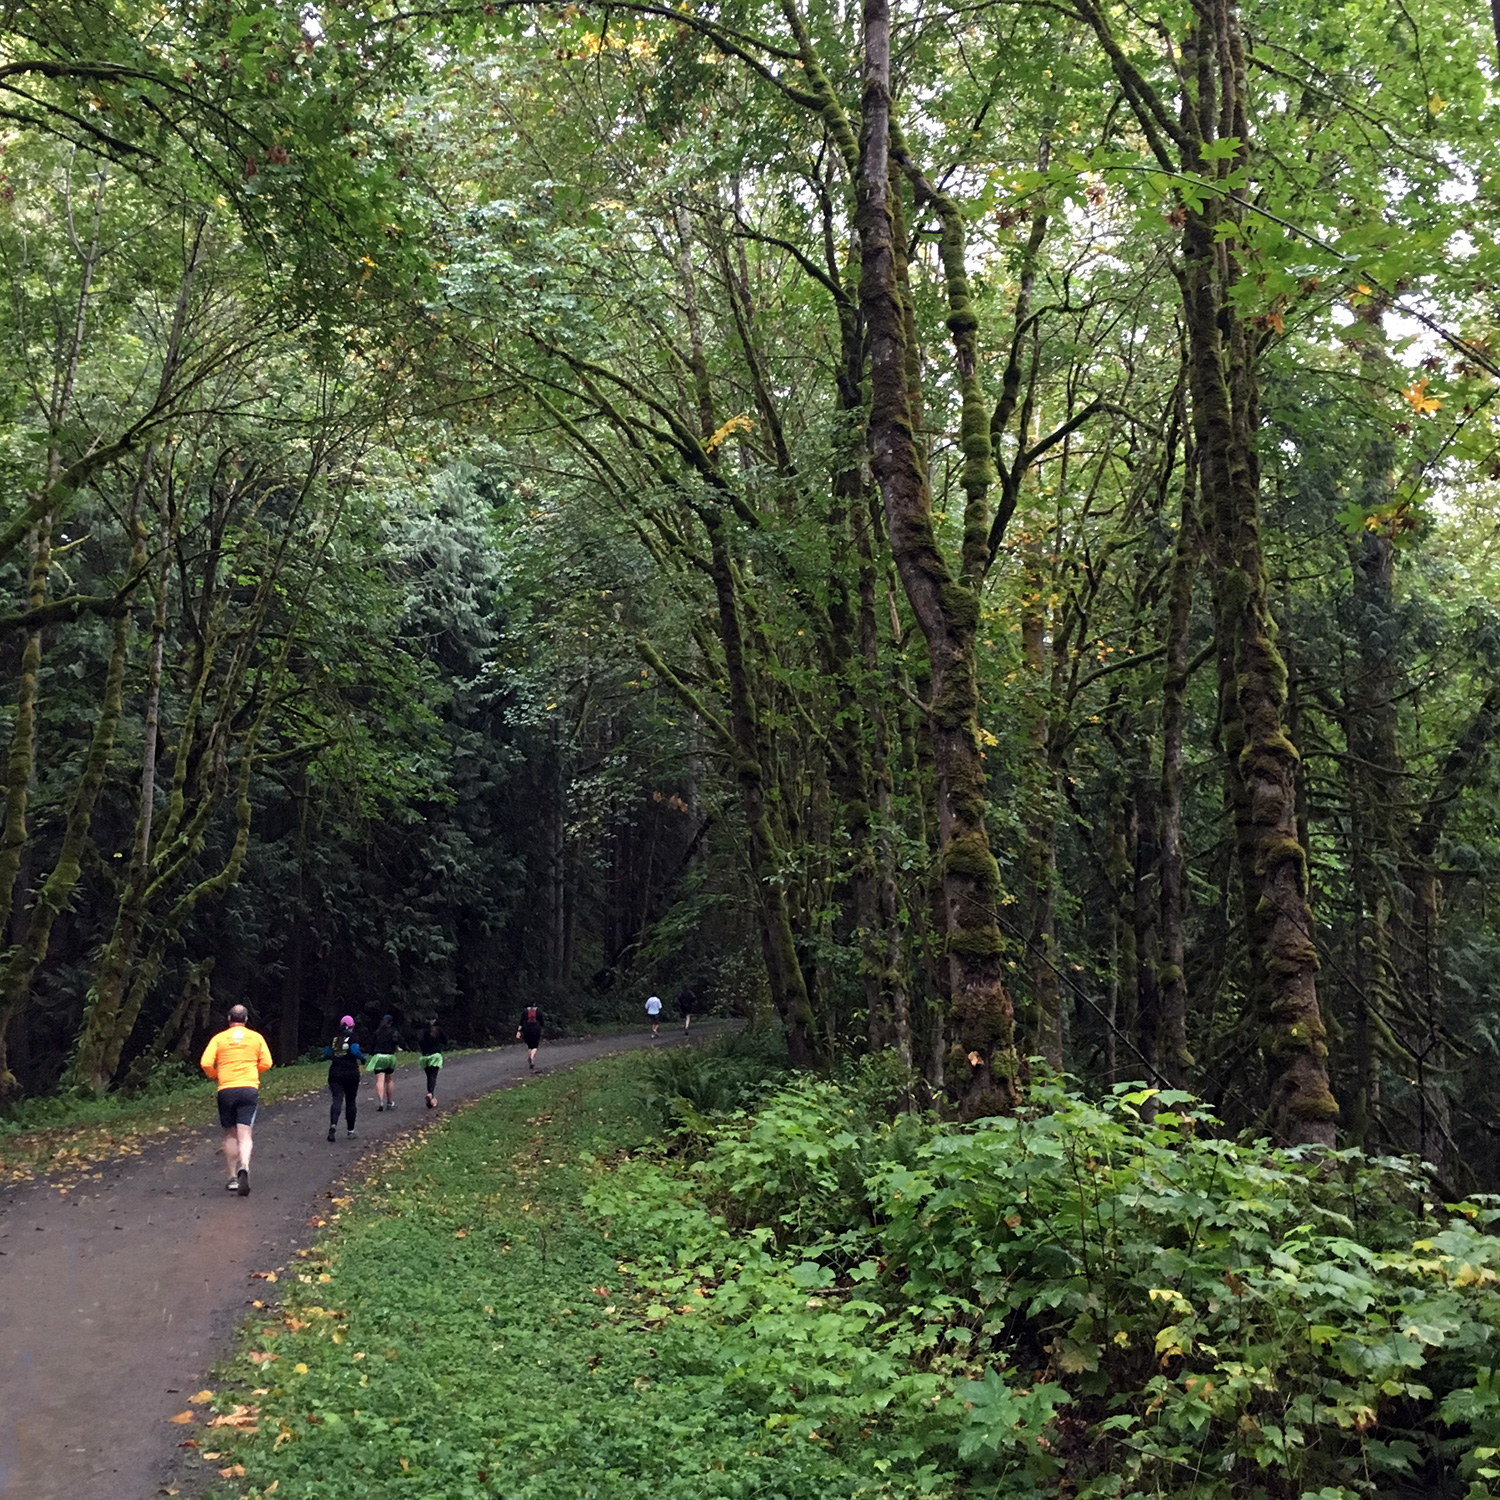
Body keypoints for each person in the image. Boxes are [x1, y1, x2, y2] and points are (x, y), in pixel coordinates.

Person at [199, 1003, 272, 1197]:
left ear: (229, 1019)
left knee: (230, 1134)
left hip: (226, 1089)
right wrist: (253, 1071)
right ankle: (245, 1167)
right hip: (248, 1088)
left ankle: (232, 1178)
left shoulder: (219, 1038)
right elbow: (267, 1062)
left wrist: (216, 1074)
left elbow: (205, 1063)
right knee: (245, 1134)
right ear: (246, 1020)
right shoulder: (256, 1038)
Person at [323, 1016, 366, 1142]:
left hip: (335, 1072)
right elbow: (355, 1050)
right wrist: (363, 1059)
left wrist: (335, 1057)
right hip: (351, 1072)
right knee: (351, 1101)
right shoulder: (353, 1037)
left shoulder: (334, 1038)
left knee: (337, 1099)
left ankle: (333, 1125)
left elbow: (326, 1054)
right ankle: (350, 1130)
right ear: (352, 1026)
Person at [370, 1013, 403, 1111]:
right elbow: (396, 1042)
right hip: (389, 1056)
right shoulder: (393, 1031)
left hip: (379, 1056)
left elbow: (372, 1045)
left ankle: (380, 1101)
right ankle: (389, 1102)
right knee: (389, 1079)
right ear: (391, 1022)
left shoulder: (377, 1032)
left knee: (380, 1080)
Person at [417, 1017, 446, 1108]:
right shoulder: (438, 1031)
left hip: (425, 1057)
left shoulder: (422, 1032)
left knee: (429, 1077)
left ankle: (431, 1096)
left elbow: (420, 1042)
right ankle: (430, 1094)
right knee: (433, 1076)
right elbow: (445, 1041)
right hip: (435, 1056)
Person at [516, 1002, 543, 1071]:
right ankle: (532, 1057)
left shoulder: (525, 1011)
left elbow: (521, 1022)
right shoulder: (538, 1010)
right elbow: (542, 1022)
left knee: (529, 1046)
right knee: (535, 1045)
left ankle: (530, 1057)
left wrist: (519, 1031)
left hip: (526, 1029)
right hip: (536, 1028)